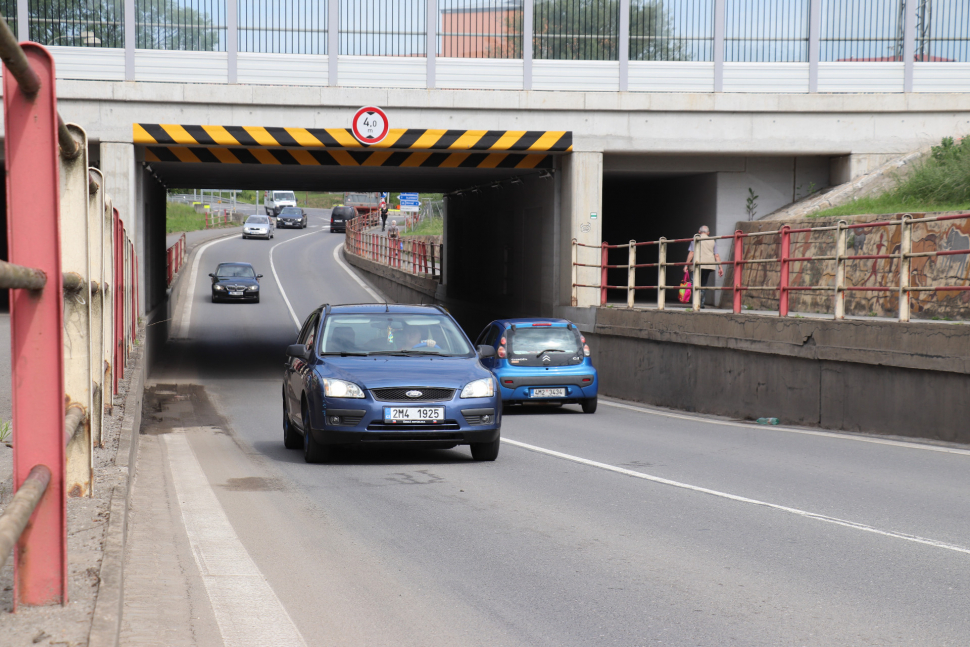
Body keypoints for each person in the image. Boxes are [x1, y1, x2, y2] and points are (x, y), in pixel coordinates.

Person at [685, 225, 723, 308]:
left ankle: (696, 303)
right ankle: (701, 303)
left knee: (694, 283)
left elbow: (691, 253)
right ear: (708, 233)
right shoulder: (712, 240)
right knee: (703, 283)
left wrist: (686, 265)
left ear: (699, 231)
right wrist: (720, 267)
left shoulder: (695, 239)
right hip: (709, 265)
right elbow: (716, 255)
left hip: (697, 265)